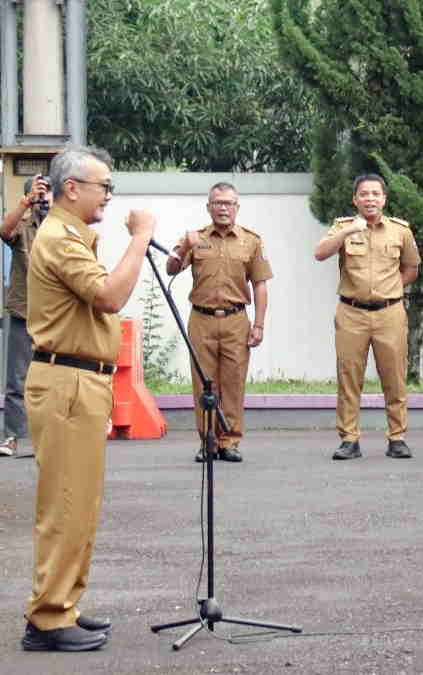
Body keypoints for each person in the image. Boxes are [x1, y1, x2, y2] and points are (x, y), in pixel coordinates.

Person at [22, 146, 156, 651]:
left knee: (81, 505)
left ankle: (63, 605)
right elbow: (109, 297)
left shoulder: (72, 235)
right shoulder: (58, 237)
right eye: (104, 186)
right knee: (65, 504)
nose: (109, 195)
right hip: (67, 382)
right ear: (72, 187)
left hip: (81, 381)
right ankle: (47, 619)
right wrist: (141, 238)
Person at [314, 174, 421, 461]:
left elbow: (411, 267)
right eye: (364, 194)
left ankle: (397, 438)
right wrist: (348, 232)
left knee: (395, 376)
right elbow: (320, 253)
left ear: (384, 199)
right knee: (349, 377)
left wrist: (392, 290)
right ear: (355, 199)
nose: (370, 198)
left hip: (390, 313)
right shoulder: (343, 227)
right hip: (352, 313)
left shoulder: (400, 231)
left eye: (376, 194)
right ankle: (349, 439)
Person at [167, 183, 272, 463]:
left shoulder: (251, 241)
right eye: (218, 203)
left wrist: (259, 324)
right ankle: (208, 442)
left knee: (233, 382)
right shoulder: (195, 238)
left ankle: (230, 441)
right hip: (201, 319)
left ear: (237, 207)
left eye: (229, 203)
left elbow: (260, 285)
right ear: (209, 207)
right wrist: (183, 248)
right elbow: (170, 269)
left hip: (236, 320)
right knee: (204, 383)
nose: (223, 208)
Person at [1, 175, 50, 457]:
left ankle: (42, 440)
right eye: (39, 193)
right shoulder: (21, 226)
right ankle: (11, 438)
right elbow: (4, 232)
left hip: (55, 317)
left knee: (51, 380)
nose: (44, 198)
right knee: (17, 381)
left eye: (47, 192)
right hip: (24, 312)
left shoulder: (62, 228)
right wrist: (26, 202)